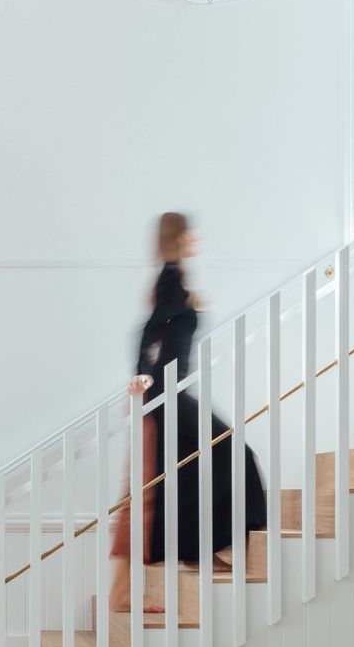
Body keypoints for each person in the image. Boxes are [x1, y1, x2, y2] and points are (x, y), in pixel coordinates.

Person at [109, 212, 267, 613]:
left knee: (188, 473)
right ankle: (182, 561)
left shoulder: (174, 278)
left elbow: (156, 331)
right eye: (189, 231)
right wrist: (142, 377)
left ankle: (197, 552)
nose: (195, 237)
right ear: (179, 236)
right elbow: (147, 332)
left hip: (171, 392)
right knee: (231, 454)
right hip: (167, 394)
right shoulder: (170, 278)